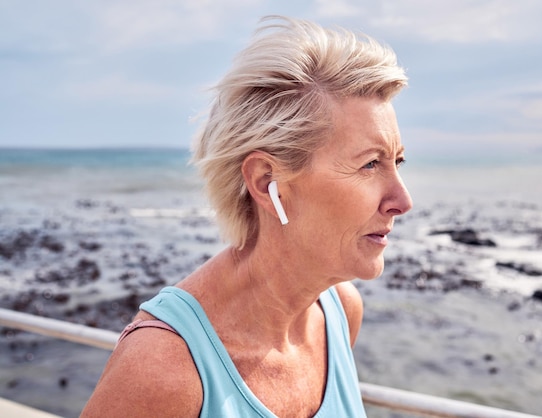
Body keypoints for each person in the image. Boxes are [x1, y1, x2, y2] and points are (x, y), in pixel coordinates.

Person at [80, 15, 412, 418]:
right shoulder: (163, 369)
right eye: (370, 165)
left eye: (397, 160)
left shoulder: (340, 312)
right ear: (266, 180)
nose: (402, 200)